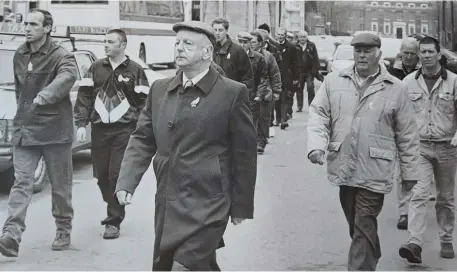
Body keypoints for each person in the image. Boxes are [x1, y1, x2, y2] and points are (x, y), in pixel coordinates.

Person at [114, 20, 257, 271]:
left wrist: (241, 205)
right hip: (169, 200)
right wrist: (127, 180)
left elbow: (244, 154)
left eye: (188, 44)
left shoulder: (232, 93)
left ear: (207, 52)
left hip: (209, 202)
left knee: (183, 266)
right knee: (182, 264)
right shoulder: (160, 89)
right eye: (177, 43)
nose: (179, 48)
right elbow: (142, 139)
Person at [307, 33, 420, 271]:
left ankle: (359, 267)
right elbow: (318, 114)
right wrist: (316, 145)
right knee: (357, 224)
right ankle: (370, 250)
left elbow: (407, 134)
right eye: (358, 50)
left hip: (375, 168)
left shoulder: (396, 88)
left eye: (367, 51)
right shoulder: (335, 81)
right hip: (343, 164)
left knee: (363, 220)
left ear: (378, 54)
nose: (361, 55)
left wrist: (410, 173)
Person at [0, 9, 78, 257]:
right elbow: (19, 91)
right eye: (26, 23)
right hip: (26, 128)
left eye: (34, 24)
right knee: (21, 182)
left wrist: (47, 94)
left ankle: (63, 228)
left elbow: (68, 76)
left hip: (55, 129)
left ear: (47, 28)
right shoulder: (20, 53)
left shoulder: (61, 54)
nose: (27, 27)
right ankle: (11, 235)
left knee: (60, 186)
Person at [73, 29, 149, 240]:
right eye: (104, 42)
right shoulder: (95, 67)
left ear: (123, 45)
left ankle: (113, 220)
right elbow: (85, 97)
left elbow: (145, 102)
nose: (105, 45)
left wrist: (141, 126)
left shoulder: (135, 69)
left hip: (124, 130)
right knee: (102, 176)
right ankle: (114, 202)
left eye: (110, 42)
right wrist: (81, 124)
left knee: (116, 174)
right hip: (99, 129)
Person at [399, 36, 457, 264]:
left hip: (447, 147)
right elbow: (400, 115)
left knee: (445, 198)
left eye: (430, 52)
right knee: (419, 194)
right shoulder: (408, 83)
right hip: (420, 146)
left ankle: (446, 239)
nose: (425, 56)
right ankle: (414, 243)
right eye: (422, 52)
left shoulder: (453, 82)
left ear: (439, 53)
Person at [386, 37, 421, 231]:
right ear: (401, 53)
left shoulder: (423, 74)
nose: (408, 57)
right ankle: (404, 212)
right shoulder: (392, 73)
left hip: (421, 128)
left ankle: (416, 208)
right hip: (399, 128)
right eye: (405, 53)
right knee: (403, 171)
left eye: (412, 53)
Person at [237, 31, 269, 154]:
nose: (242, 45)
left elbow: (264, 77)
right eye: (240, 42)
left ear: (250, 43)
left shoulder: (258, 58)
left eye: (245, 42)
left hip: (252, 95)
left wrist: (259, 95)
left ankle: (252, 146)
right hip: (237, 95)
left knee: (252, 123)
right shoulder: (234, 56)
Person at [251, 30, 282, 147]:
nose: (251, 44)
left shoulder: (268, 56)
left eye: (253, 42)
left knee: (263, 118)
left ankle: (261, 142)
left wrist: (277, 91)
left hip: (266, 92)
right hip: (250, 91)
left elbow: (275, 74)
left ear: (260, 43)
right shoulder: (245, 55)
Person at [211, 17, 253, 93]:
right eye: (215, 30)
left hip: (231, 93)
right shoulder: (210, 49)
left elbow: (247, 76)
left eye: (220, 30)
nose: (217, 33)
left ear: (226, 31)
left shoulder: (237, 50)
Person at [275, 27, 300, 129]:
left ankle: (283, 120)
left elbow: (295, 62)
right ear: (276, 35)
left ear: (285, 36)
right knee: (277, 99)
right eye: (279, 35)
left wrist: (296, 77)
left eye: (282, 35)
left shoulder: (291, 47)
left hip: (287, 76)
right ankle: (278, 118)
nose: (280, 37)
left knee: (285, 98)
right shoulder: (274, 46)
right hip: (276, 76)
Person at [296, 30, 321, 111]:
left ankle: (311, 105)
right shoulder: (295, 46)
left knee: (310, 87)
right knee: (299, 89)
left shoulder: (311, 46)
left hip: (309, 71)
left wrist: (314, 71)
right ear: (298, 38)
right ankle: (299, 106)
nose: (302, 39)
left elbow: (316, 59)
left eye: (304, 37)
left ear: (307, 37)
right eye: (301, 37)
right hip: (299, 71)